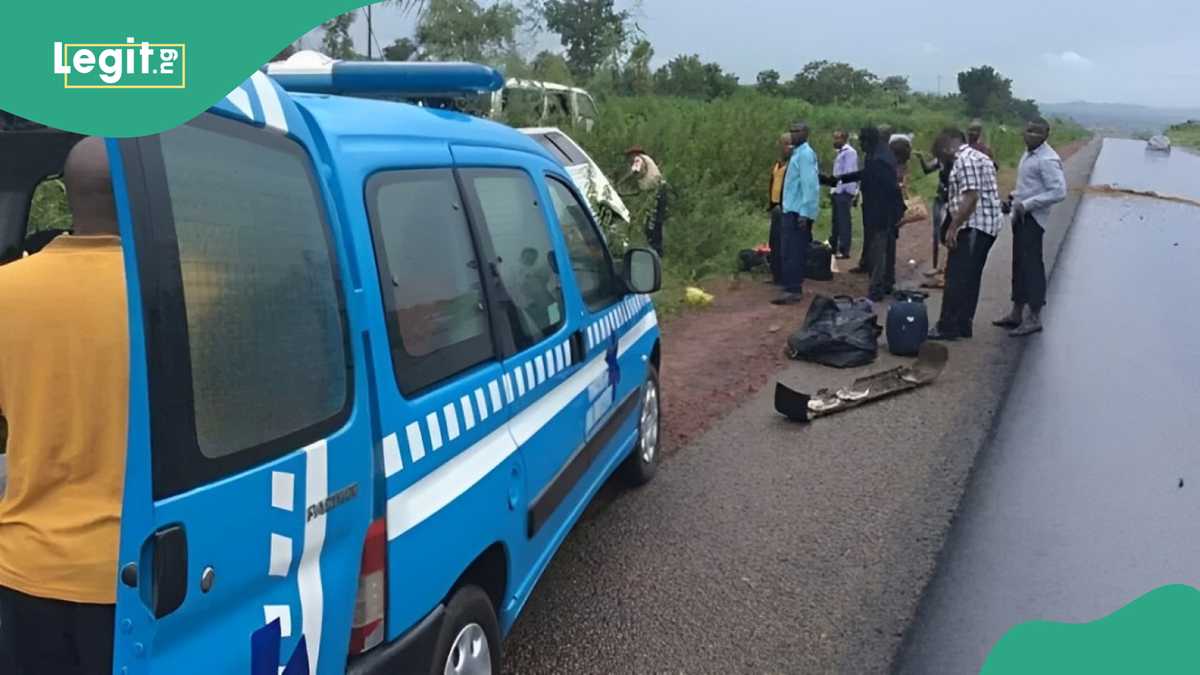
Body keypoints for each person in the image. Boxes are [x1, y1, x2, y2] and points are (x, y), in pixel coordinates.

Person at [0, 136, 129, 675]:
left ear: (67, 195)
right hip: (137, 569)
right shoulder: (181, 290)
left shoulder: (6, 290)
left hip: (25, 566)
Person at [993, 117, 1067, 337]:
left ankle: (1034, 316)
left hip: (1033, 219)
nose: (1030, 134)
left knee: (1032, 266)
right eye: (1028, 130)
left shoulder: (1048, 159)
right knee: (1019, 264)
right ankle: (1016, 312)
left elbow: (1058, 192)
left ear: (1046, 135)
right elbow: (1030, 185)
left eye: (1036, 132)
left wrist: (1028, 204)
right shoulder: (1028, 154)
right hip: (1021, 215)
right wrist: (1015, 197)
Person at [927, 128, 1003, 340]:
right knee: (971, 277)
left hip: (973, 226)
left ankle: (947, 326)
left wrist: (953, 227)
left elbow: (971, 197)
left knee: (956, 277)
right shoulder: (980, 157)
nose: (941, 159)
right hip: (987, 226)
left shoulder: (964, 160)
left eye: (940, 153)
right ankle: (963, 323)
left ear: (947, 146)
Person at [835, 126, 905, 302]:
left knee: (879, 249)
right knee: (886, 246)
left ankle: (876, 289)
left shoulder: (879, 159)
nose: (861, 145)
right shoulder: (879, 153)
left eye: (862, 142)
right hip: (884, 209)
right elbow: (866, 175)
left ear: (869, 141)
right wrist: (840, 179)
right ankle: (887, 283)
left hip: (881, 210)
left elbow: (886, 185)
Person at [772, 122, 819, 305]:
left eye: (797, 131)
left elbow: (810, 186)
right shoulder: (797, 154)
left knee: (794, 251)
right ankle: (789, 286)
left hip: (798, 212)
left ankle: (793, 289)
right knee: (787, 250)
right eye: (792, 131)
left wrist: (805, 213)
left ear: (806, 133)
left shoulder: (806, 155)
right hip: (789, 209)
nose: (793, 134)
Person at [619, 145, 668, 257]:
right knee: (656, 221)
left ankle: (655, 252)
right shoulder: (647, 160)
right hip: (659, 190)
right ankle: (657, 251)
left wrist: (621, 182)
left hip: (656, 192)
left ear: (634, 154)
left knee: (651, 223)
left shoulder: (638, 158)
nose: (629, 160)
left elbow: (634, 172)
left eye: (629, 156)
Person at [916, 149, 952, 284]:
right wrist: (921, 159)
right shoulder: (941, 160)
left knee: (946, 233)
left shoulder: (957, 161)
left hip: (950, 200)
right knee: (936, 233)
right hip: (940, 198)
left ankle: (944, 267)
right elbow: (927, 170)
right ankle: (936, 267)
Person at [828, 131, 859, 260]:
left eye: (837, 138)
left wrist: (844, 191)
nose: (835, 140)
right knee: (836, 221)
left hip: (843, 191)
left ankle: (844, 249)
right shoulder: (840, 152)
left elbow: (849, 173)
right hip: (837, 191)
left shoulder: (850, 152)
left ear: (844, 139)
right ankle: (833, 246)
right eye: (834, 137)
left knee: (844, 222)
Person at [766, 134, 793, 284]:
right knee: (774, 243)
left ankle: (785, 277)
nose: (784, 148)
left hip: (786, 207)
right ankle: (775, 274)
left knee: (785, 244)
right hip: (775, 206)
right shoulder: (778, 163)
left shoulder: (793, 165)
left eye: (786, 144)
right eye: (782, 144)